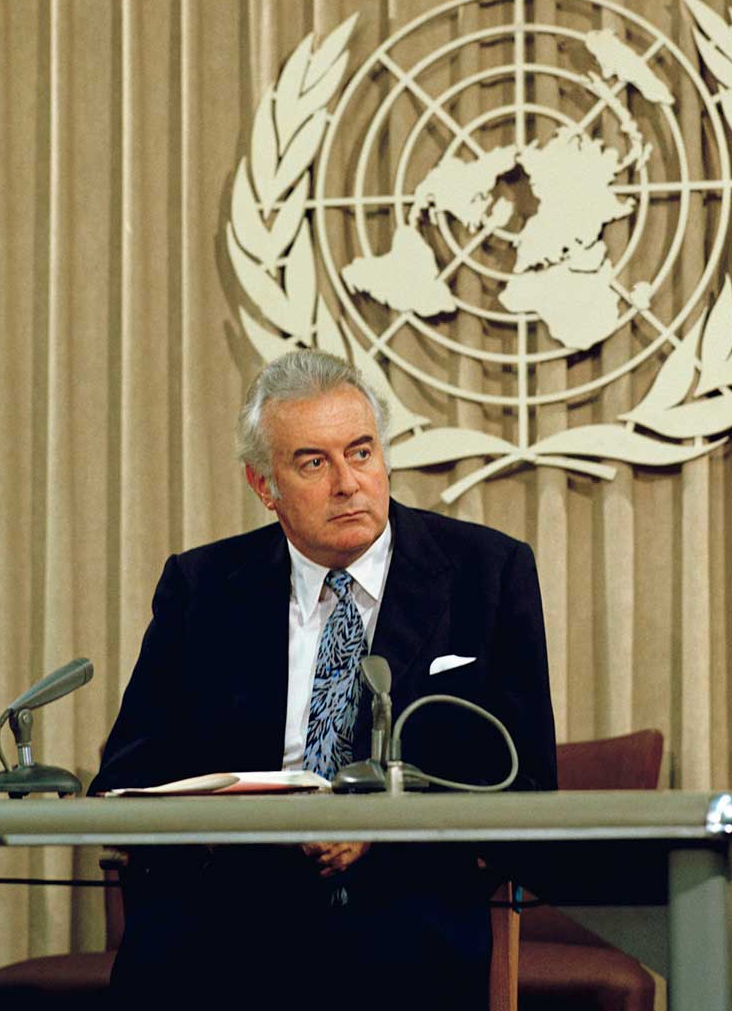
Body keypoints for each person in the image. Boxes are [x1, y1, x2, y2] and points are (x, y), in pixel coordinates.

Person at [90, 348, 557, 1008]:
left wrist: (387, 828)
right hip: (226, 923)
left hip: (402, 925)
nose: (347, 482)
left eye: (361, 452)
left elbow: (531, 787)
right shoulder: (202, 589)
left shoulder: (488, 574)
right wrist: (254, 820)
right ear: (264, 486)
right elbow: (124, 778)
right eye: (314, 462)